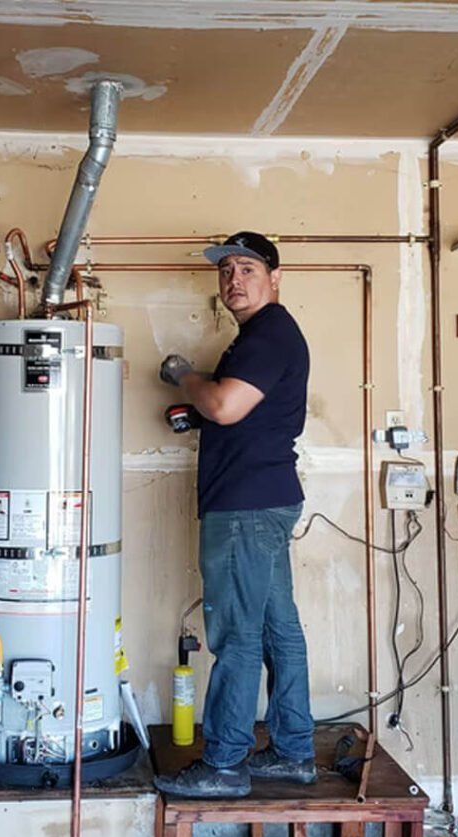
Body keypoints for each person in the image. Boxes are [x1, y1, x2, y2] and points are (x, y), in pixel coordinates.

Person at [154, 231, 316, 798]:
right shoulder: (263, 337)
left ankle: (224, 764)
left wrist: (184, 376)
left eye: (247, 269)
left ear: (275, 278)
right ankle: (294, 751)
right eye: (226, 271)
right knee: (276, 627)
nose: (234, 279)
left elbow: (225, 404)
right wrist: (199, 412)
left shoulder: (268, 334)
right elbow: (240, 411)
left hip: (245, 506)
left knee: (237, 634)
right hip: (264, 498)